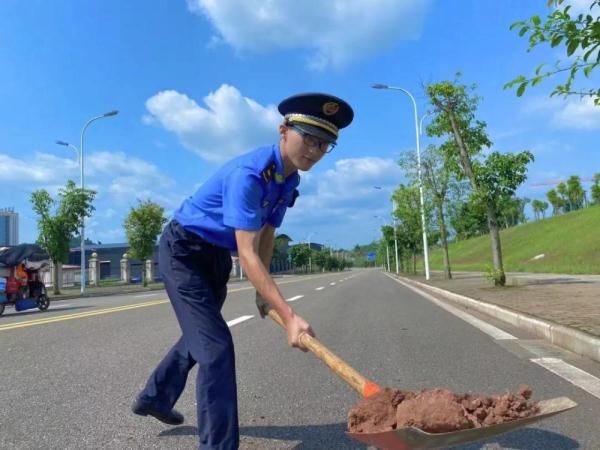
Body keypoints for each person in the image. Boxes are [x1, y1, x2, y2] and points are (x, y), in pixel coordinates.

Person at [132, 92, 354, 449]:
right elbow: (248, 254)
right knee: (216, 348)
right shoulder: (249, 175)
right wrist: (288, 314)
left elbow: (267, 232)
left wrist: (261, 292)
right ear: (284, 130)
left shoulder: (289, 180)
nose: (314, 150)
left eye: (325, 145)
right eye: (309, 139)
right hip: (183, 252)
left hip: (215, 256)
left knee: (201, 336)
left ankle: (156, 397)